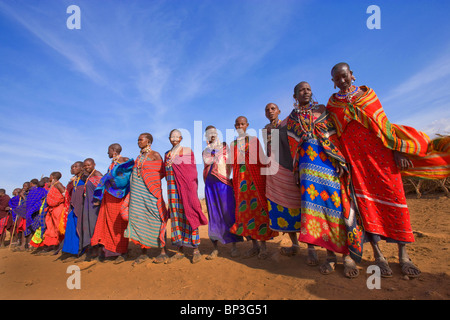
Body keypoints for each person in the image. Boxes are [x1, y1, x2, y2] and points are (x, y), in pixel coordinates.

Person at [326, 62, 426, 278]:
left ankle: (403, 255)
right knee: (365, 206)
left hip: (381, 157)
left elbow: (384, 124)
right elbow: (333, 134)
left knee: (396, 199)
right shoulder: (333, 104)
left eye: (345, 76)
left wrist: (397, 150)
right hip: (356, 162)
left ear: (352, 75)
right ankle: (379, 255)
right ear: (333, 82)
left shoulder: (368, 95)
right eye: (337, 78)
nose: (342, 81)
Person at [288, 81, 361, 278]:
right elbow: (293, 146)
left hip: (327, 164)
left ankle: (347, 255)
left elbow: (333, 136)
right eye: (301, 90)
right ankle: (330, 256)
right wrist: (296, 171)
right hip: (307, 170)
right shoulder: (293, 118)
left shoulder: (322, 110)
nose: (306, 92)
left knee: (337, 207)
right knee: (316, 211)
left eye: (309, 89)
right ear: (295, 96)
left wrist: (337, 158)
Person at [229, 116, 278, 259]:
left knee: (259, 212)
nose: (240, 126)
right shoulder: (233, 144)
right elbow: (233, 165)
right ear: (235, 126)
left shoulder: (254, 141)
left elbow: (262, 160)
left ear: (247, 125)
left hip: (255, 181)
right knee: (246, 214)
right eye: (237, 124)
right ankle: (254, 246)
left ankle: (263, 247)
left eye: (242, 124)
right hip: (241, 184)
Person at [263, 103, 304, 259]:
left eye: (273, 109)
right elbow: (269, 151)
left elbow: (294, 144)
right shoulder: (266, 128)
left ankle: (312, 246)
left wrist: (297, 167)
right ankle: (295, 244)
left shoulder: (288, 123)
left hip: (290, 169)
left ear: (279, 111)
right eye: (267, 110)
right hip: (274, 173)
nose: (270, 111)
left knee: (300, 205)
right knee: (283, 209)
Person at [124, 133, 169, 265]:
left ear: (148, 141)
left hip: (152, 193)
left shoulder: (155, 155)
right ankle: (143, 253)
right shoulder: (139, 157)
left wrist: (149, 181)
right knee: (140, 219)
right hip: (138, 195)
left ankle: (163, 252)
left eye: (141, 139)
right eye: (138, 139)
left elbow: (162, 172)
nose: (138, 141)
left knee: (158, 218)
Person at [164, 129, 208, 264]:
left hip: (187, 189)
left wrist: (189, 188)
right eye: (172, 136)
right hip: (172, 189)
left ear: (181, 138)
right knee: (176, 217)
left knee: (190, 214)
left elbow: (191, 172)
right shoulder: (167, 154)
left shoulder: (187, 151)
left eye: (177, 136)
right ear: (169, 138)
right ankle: (180, 250)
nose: (174, 138)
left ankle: (195, 250)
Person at [202, 126, 243, 260]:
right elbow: (208, 162)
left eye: (213, 132)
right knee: (214, 215)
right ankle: (215, 248)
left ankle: (234, 246)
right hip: (210, 184)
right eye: (208, 133)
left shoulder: (225, 147)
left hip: (224, 183)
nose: (211, 135)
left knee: (228, 213)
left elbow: (230, 163)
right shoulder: (205, 151)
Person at [91, 143, 133, 264]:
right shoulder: (112, 163)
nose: (107, 153)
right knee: (108, 223)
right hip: (109, 198)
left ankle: (121, 251)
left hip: (119, 198)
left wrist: (112, 178)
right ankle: (110, 251)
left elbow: (126, 177)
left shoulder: (124, 160)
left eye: (108, 150)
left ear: (114, 151)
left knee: (118, 224)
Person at [77, 158, 103, 261]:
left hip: (95, 206)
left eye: (89, 165)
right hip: (88, 205)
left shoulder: (97, 174)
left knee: (94, 227)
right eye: (85, 166)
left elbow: (102, 188)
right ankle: (92, 251)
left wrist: (99, 201)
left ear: (94, 164)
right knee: (88, 227)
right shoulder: (88, 176)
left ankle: (99, 252)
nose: (87, 167)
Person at [61, 162, 87, 261]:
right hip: (73, 207)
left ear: (82, 168)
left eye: (76, 167)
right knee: (71, 229)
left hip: (82, 208)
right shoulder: (74, 180)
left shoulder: (85, 178)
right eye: (72, 167)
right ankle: (71, 251)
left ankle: (80, 252)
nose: (73, 168)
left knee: (79, 229)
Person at [14, 179, 47, 251]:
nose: (25, 187)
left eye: (26, 186)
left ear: (31, 184)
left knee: (27, 229)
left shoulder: (32, 191)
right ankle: (29, 246)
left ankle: (26, 245)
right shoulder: (43, 191)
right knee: (32, 228)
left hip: (30, 212)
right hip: (35, 212)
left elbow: (29, 202)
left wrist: (23, 196)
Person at [37, 172, 65, 253]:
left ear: (52, 177)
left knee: (58, 227)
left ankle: (61, 246)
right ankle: (51, 245)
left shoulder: (58, 185)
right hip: (51, 209)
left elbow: (64, 194)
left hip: (58, 208)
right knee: (50, 228)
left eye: (50, 176)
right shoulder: (53, 185)